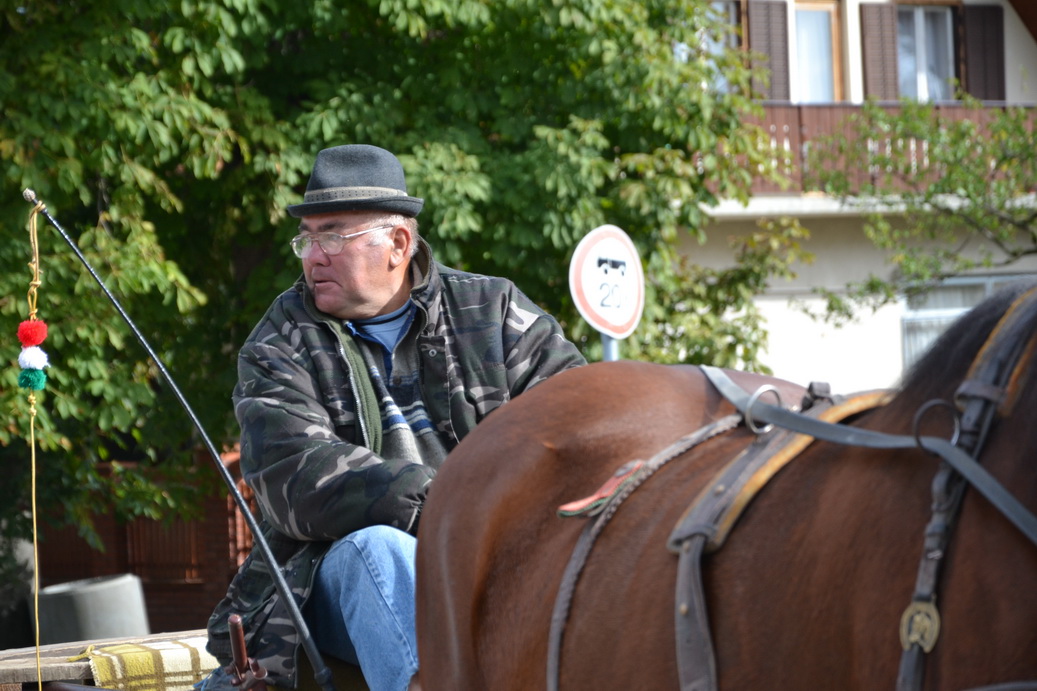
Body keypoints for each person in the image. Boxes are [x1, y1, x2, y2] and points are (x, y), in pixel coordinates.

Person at [199, 144, 586, 691]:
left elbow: (574, 423)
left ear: (399, 244)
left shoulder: (495, 311)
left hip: (502, 562)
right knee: (377, 550)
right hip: (327, 585)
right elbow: (293, 476)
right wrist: (448, 508)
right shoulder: (279, 342)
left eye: (333, 237)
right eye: (307, 239)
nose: (314, 257)